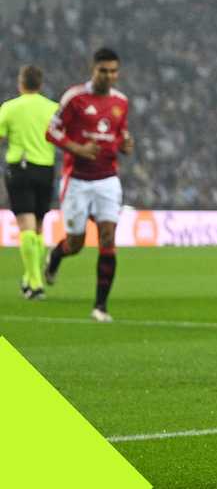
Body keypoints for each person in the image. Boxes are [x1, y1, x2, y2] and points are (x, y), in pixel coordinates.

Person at [45, 47, 133, 322]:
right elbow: (51, 131)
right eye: (103, 70)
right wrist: (77, 149)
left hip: (107, 179)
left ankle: (100, 306)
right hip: (78, 181)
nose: (109, 76)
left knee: (108, 238)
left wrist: (125, 144)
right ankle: (57, 256)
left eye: (113, 71)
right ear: (92, 69)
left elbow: (119, 134)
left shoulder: (121, 102)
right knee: (76, 242)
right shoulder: (75, 98)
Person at [1, 65, 59, 299]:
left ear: (21, 83)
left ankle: (35, 284)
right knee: (38, 227)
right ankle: (29, 277)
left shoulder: (10, 107)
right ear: (41, 84)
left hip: (21, 169)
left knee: (25, 226)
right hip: (46, 169)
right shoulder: (53, 108)